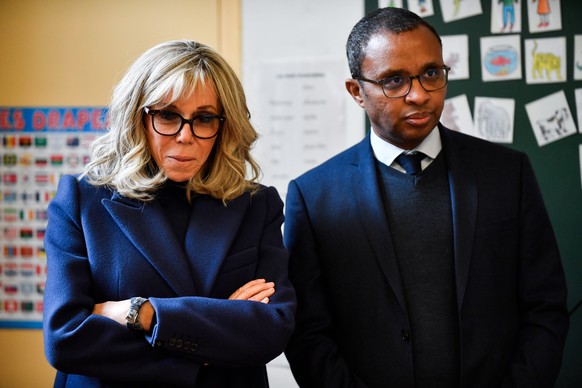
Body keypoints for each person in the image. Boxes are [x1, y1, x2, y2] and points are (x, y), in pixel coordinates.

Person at [284, 7, 568, 388]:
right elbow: (308, 334)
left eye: (431, 73)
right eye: (394, 80)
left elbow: (544, 306)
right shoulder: (314, 196)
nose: (418, 95)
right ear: (357, 92)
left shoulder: (507, 173)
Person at [43, 40, 296, 387]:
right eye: (167, 115)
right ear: (138, 117)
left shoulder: (255, 205)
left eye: (204, 118)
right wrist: (212, 342)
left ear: (224, 125)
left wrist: (141, 312)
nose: (185, 136)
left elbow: (271, 329)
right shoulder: (82, 199)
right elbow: (65, 338)